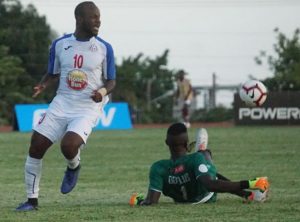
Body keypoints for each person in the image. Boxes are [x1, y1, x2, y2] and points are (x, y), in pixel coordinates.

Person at [16, 1, 116, 211]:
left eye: (99, 17)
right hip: (62, 102)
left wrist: (102, 92)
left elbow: (111, 81)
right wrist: (42, 85)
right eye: (94, 17)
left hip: (87, 106)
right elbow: (53, 72)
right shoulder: (60, 44)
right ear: (80, 19)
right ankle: (31, 201)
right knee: (36, 146)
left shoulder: (104, 48)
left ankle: (74, 165)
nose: (98, 21)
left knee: (68, 145)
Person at [129, 123, 269, 206]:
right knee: (205, 158)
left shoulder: (158, 167)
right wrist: (250, 183)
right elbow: (211, 185)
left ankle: (248, 196)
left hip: (181, 201)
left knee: (204, 169)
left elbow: (152, 201)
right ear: (186, 142)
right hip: (206, 198)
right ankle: (202, 149)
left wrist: (139, 201)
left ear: (166, 143)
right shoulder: (195, 159)